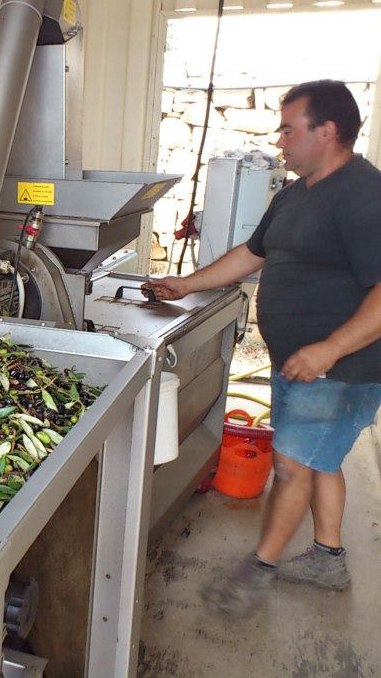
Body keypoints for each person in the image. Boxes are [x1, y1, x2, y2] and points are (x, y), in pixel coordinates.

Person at [143, 80, 381, 617]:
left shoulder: (365, 195)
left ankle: (258, 571)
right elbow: (253, 254)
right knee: (322, 462)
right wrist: (187, 284)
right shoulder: (296, 193)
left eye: (289, 129)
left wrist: (327, 349)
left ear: (328, 131)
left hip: (339, 369)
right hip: (302, 364)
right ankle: (328, 557)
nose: (279, 141)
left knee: (293, 465)